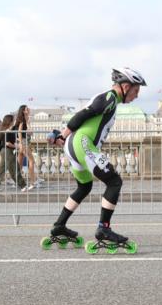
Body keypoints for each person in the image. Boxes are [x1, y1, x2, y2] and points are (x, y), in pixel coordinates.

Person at [49, 67, 146, 249]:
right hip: (82, 144)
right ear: (126, 86)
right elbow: (83, 114)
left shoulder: (111, 100)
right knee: (114, 182)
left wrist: (64, 137)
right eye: (136, 90)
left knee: (84, 186)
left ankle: (59, 226)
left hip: (75, 145)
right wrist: (62, 134)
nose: (137, 95)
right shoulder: (110, 97)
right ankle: (104, 229)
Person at [0, 114, 25, 189]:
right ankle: (23, 185)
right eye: (13, 120)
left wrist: (17, 144)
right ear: (10, 121)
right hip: (7, 151)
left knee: (2, 169)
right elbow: (7, 143)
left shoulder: (6, 130)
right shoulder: (7, 131)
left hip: (5, 151)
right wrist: (16, 146)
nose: (14, 121)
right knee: (14, 168)